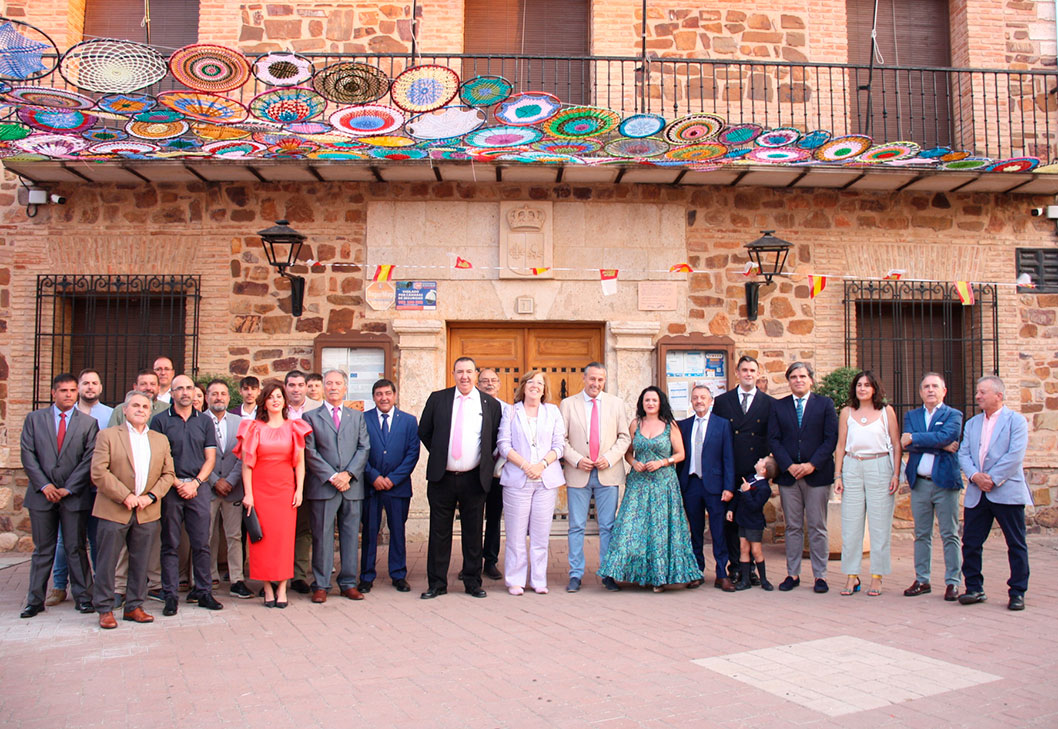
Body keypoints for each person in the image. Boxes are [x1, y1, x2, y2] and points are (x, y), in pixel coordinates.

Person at [418, 357, 503, 599]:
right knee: (439, 532)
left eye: (469, 372)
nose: (464, 376)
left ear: (475, 374)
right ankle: (436, 583)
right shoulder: (438, 399)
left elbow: (495, 438)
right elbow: (424, 431)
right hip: (441, 478)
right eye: (460, 372)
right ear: (453, 373)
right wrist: (440, 455)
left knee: (473, 532)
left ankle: (472, 581)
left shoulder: (489, 404)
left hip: (474, 479)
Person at [599, 387, 699, 592]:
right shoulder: (635, 424)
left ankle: (660, 577)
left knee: (661, 530)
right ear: (642, 403)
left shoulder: (670, 425)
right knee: (630, 527)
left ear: (660, 402)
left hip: (664, 484)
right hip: (639, 483)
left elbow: (680, 454)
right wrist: (633, 462)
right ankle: (624, 572)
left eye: (654, 400)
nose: (650, 403)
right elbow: (627, 452)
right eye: (647, 400)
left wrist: (663, 462)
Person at [89, 393, 175, 629]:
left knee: (141, 561)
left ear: (150, 412)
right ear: (125, 410)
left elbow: (168, 474)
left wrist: (150, 497)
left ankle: (134, 606)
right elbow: (98, 472)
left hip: (146, 511)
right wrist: (125, 496)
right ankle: (105, 609)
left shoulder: (160, 440)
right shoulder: (107, 436)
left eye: (145, 407)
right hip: (113, 509)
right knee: (107, 561)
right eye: (135, 405)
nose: (140, 409)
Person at [19, 373, 99, 618]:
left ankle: (84, 598)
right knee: (44, 549)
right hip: (41, 495)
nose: (68, 394)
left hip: (73, 496)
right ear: (53, 393)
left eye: (72, 390)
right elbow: (28, 454)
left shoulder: (88, 423)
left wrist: (69, 487)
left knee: (75, 547)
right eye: (63, 390)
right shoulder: (34, 419)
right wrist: (45, 485)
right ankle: (35, 601)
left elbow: (89, 459)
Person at [957, 376, 1032, 611]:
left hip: (1006, 491)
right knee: (970, 542)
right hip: (977, 491)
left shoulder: (1016, 421)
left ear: (998, 395)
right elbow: (963, 454)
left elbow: (1015, 455)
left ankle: (1017, 591)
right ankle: (974, 587)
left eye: (982, 392)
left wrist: (993, 478)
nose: (977, 396)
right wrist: (975, 476)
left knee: (1015, 543)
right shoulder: (972, 423)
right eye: (977, 392)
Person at [235, 381, 312, 607]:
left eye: (279, 396)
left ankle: (282, 588)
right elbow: (247, 465)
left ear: (284, 400)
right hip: (260, 489)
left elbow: (300, 463)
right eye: (271, 397)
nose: (276, 400)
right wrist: (248, 495)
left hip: (285, 489)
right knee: (261, 540)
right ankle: (267, 587)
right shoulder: (253, 428)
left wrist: (299, 489)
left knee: (284, 541)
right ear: (264, 402)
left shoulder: (294, 427)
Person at [150, 374, 221, 616]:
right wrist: (176, 483)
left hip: (198, 489)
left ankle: (203, 592)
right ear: (171, 393)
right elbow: (157, 459)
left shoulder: (204, 421)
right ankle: (170, 596)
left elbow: (210, 458)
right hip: (170, 489)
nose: (184, 392)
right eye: (179, 388)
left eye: (189, 388)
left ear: (194, 392)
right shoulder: (159, 421)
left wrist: (196, 483)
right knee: (170, 544)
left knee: (201, 543)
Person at [559, 362, 631, 593]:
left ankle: (607, 573)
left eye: (600, 380)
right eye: (592, 379)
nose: (596, 384)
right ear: (584, 378)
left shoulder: (616, 404)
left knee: (608, 526)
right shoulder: (568, 404)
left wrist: (609, 459)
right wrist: (576, 459)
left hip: (607, 473)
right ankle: (575, 574)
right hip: (578, 472)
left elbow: (624, 437)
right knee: (576, 526)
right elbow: (561, 439)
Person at [768, 361, 838, 594]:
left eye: (802, 376)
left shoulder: (825, 404)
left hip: (817, 475)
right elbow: (774, 439)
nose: (798, 380)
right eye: (793, 377)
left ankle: (820, 576)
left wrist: (811, 465)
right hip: (789, 477)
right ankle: (793, 573)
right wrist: (788, 465)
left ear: (811, 380)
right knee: (793, 527)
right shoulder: (779, 407)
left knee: (818, 526)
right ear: (788, 381)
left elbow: (831, 439)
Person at [304, 370, 371, 603]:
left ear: (345, 388)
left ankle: (348, 583)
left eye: (338, 383)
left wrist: (348, 474)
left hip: (351, 487)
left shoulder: (357, 416)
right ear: (323, 387)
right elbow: (310, 452)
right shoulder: (310, 417)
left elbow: (364, 448)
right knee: (322, 536)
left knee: (351, 536)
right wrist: (333, 476)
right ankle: (321, 584)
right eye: (329, 383)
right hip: (324, 486)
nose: (333, 387)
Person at [48, 368, 113, 608]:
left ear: (100, 387)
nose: (89, 387)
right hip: (71, 488)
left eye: (94, 383)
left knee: (97, 539)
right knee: (66, 540)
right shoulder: (67, 414)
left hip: (98, 488)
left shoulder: (110, 414)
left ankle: (97, 585)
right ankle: (58, 585)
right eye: (85, 383)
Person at [834, 371, 902, 597]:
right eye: (859, 385)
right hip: (853, 466)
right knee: (851, 525)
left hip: (880, 465)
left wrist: (895, 474)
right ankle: (851, 576)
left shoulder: (886, 411)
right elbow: (841, 445)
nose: (862, 389)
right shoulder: (846, 412)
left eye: (867, 385)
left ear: (875, 388)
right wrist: (838, 475)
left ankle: (877, 576)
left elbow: (895, 442)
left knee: (879, 524)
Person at [497, 371, 565, 595]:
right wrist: (526, 466)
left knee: (540, 533)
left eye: (540, 383)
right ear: (523, 386)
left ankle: (538, 579)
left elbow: (559, 445)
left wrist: (542, 465)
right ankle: (515, 580)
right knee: (515, 534)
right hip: (518, 478)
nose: (535, 386)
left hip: (546, 479)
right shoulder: (511, 411)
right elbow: (504, 445)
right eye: (531, 382)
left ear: (545, 389)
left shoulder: (552, 411)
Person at [712, 355, 774, 584]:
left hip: (755, 472)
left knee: (751, 520)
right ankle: (735, 567)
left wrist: (766, 467)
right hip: (731, 469)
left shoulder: (768, 403)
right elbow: (717, 436)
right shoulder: (722, 401)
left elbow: (771, 437)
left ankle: (752, 571)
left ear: (758, 374)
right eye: (744, 370)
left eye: (752, 370)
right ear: (737, 373)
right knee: (731, 520)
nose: (748, 374)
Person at [901, 373, 964, 601]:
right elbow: (908, 442)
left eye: (935, 386)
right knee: (921, 534)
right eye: (926, 386)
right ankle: (922, 579)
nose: (930, 390)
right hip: (920, 484)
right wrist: (938, 443)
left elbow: (947, 436)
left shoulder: (954, 414)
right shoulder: (912, 415)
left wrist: (917, 440)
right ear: (920, 392)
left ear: (943, 391)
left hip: (945, 482)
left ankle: (952, 582)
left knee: (950, 534)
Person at [358, 378, 419, 593]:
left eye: (387, 393)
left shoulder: (409, 421)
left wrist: (393, 478)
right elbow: (359, 451)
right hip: (370, 486)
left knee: (397, 531)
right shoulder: (363, 419)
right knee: (370, 532)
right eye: (379, 394)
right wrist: (373, 476)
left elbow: (412, 454)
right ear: (374, 397)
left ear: (394, 395)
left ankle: (398, 574)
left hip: (398, 487)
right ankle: (366, 576)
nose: (384, 398)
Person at [676, 385, 735, 590]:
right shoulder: (683, 426)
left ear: (711, 401)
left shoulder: (722, 425)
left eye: (703, 397)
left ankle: (721, 573)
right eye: (695, 398)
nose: (699, 401)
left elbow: (728, 458)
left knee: (718, 531)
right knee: (695, 531)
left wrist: (729, 487)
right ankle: (696, 571)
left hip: (716, 486)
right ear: (691, 402)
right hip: (691, 483)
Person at [204, 380, 252, 599]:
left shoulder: (240, 422)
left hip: (233, 487)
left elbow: (244, 455)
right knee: (207, 535)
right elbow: (197, 454)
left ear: (229, 397)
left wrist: (231, 480)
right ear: (207, 397)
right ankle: (208, 576)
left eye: (223, 393)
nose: (219, 397)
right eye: (214, 394)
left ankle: (237, 579)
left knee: (234, 535)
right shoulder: (199, 421)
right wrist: (215, 480)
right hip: (207, 487)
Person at [284, 370, 321, 594]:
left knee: (304, 527)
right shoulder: (276, 408)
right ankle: (277, 573)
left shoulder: (317, 409)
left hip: (311, 475)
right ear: (285, 387)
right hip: (280, 476)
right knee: (278, 528)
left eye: (300, 385)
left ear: (307, 387)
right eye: (291, 385)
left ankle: (298, 575)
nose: (296, 389)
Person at [477, 367, 507, 581]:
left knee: (494, 518)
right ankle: (471, 562)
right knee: (474, 519)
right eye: (484, 380)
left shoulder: (509, 410)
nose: (489, 384)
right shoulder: (471, 408)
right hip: (474, 471)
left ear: (499, 384)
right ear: (478, 384)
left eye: (493, 380)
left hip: (497, 472)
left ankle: (491, 561)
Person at [733, 456, 778, 591]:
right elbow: (739, 495)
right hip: (743, 520)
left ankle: (763, 579)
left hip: (753, 523)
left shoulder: (764, 488)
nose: (758, 459)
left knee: (756, 550)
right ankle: (745, 579)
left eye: (761, 461)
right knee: (743, 548)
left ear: (764, 470)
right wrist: (731, 509)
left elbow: (755, 506)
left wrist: (747, 492)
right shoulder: (750, 478)